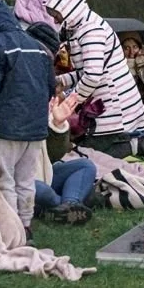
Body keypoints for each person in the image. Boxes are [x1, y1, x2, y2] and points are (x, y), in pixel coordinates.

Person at [0, 0, 55, 231]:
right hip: (36, 128)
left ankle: (10, 231)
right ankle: (26, 226)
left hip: (6, 126)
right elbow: (50, 86)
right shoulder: (37, 46)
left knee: (4, 181)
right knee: (26, 181)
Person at [44, 0, 144, 158]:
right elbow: (86, 71)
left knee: (91, 154)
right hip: (106, 104)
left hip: (116, 108)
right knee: (84, 149)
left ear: (68, 9)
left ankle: (136, 144)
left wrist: (71, 102)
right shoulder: (81, 27)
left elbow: (92, 76)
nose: (55, 20)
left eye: (56, 14)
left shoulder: (91, 30)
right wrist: (61, 82)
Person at [35, 93, 95, 225]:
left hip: (46, 175)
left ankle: (69, 205)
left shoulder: (41, 115)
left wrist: (57, 124)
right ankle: (63, 206)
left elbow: (55, 154)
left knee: (86, 166)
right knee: (42, 191)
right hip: (20, 184)